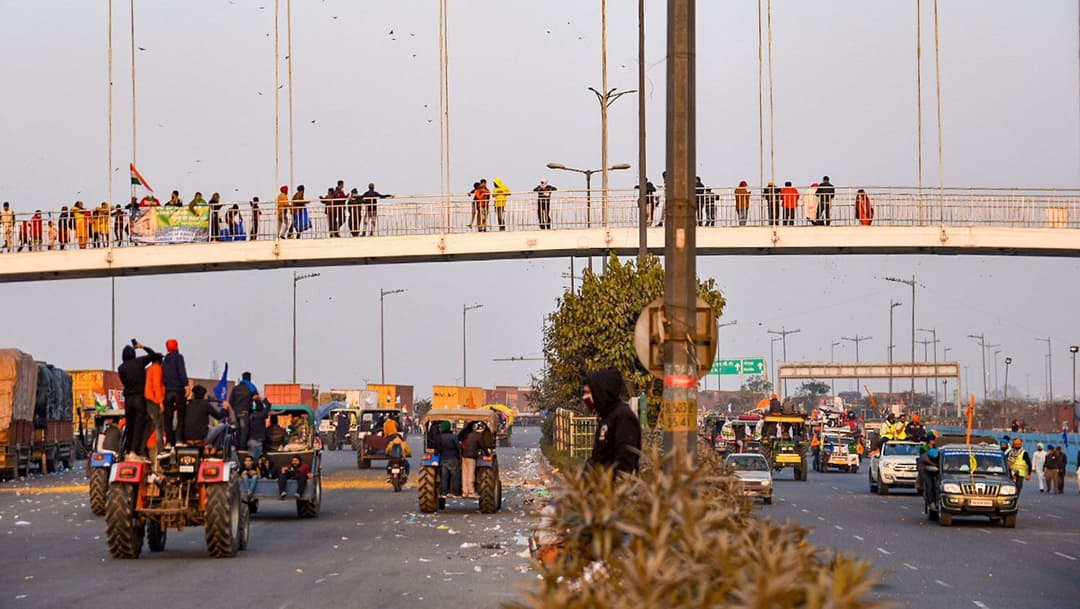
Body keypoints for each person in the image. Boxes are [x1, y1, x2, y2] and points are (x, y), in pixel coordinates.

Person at [583, 368, 642, 474]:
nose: (585, 397)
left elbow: (624, 464)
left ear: (600, 391)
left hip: (616, 489)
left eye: (588, 393)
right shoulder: (606, 417)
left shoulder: (623, 417)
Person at [118, 341, 158, 459]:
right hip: (140, 398)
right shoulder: (140, 361)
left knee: (130, 424)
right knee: (139, 424)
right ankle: (135, 451)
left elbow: (124, 383)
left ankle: (129, 450)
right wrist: (143, 347)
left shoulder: (121, 368)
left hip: (128, 399)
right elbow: (155, 355)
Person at [161, 338, 189, 447]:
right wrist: (186, 384)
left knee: (168, 417)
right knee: (181, 415)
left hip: (168, 391)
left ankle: (168, 442)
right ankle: (178, 440)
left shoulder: (165, 360)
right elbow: (182, 371)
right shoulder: (179, 358)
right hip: (178, 390)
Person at [144, 352, 167, 462]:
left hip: (148, 399)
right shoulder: (157, 369)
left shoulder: (149, 369)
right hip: (155, 400)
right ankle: (161, 450)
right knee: (159, 427)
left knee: (150, 427)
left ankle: (142, 449)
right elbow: (157, 386)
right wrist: (161, 402)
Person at [460, 421, 491, 498]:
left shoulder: (468, 435)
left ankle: (464, 492)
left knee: (464, 474)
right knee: (471, 474)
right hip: (471, 457)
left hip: (464, 456)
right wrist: (487, 453)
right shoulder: (478, 436)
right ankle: (471, 492)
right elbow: (483, 446)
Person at [229, 371, 257, 447]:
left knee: (238, 430)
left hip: (237, 412)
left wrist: (235, 408)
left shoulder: (236, 388)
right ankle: (242, 448)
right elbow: (256, 398)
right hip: (246, 412)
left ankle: (237, 446)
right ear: (250, 378)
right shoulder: (251, 388)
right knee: (245, 431)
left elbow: (230, 400)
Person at [435, 421, 462, 496]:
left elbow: (438, 447)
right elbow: (458, 447)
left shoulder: (439, 437)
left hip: (443, 459)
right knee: (455, 476)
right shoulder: (453, 436)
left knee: (444, 477)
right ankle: (455, 492)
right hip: (453, 458)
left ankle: (444, 492)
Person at [247, 395, 269, 461]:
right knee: (255, 460)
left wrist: (256, 400)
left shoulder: (251, 416)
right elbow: (269, 405)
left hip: (251, 440)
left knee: (250, 460)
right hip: (257, 441)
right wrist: (264, 399)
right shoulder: (262, 415)